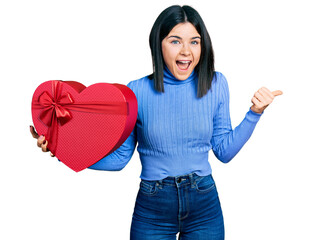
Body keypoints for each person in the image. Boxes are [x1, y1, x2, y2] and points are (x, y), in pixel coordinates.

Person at [30, 5, 282, 240]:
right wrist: (61, 150)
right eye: (175, 41)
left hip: (204, 203)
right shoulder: (136, 92)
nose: (186, 51)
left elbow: (224, 152)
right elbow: (119, 160)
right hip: (153, 207)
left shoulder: (216, 84)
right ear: (158, 45)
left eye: (194, 41)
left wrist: (254, 113)